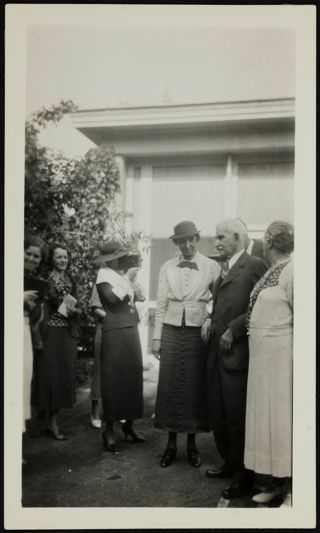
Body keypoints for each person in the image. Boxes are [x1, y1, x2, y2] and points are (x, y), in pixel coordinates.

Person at [201, 218, 266, 499]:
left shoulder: (254, 266)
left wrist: (234, 330)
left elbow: (260, 307)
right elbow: (217, 304)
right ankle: (229, 462)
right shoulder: (222, 268)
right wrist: (208, 319)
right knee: (218, 411)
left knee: (237, 415)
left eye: (221, 237)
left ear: (238, 237)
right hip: (216, 353)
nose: (216, 242)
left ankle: (244, 475)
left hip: (236, 353)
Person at [152, 221, 220, 468]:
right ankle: (171, 444)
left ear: (197, 239)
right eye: (181, 241)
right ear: (176, 243)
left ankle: (192, 445)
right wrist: (157, 337)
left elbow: (218, 300)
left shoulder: (211, 266)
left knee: (194, 386)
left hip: (197, 332)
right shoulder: (166, 267)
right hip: (171, 329)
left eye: (190, 239)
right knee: (170, 386)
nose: (187, 244)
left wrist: (210, 318)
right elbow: (160, 304)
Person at [244, 221, 294, 507]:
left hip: (281, 360)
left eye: (263, 239)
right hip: (263, 360)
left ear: (271, 242)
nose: (262, 244)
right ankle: (276, 484)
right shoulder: (271, 272)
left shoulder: (292, 270)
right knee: (267, 424)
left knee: (283, 423)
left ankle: (293, 491)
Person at [95, 241, 145, 454]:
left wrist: (132, 283)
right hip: (115, 330)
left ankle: (129, 424)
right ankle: (108, 430)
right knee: (113, 379)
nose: (119, 259)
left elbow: (137, 297)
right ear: (109, 259)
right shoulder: (104, 274)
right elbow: (111, 299)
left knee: (132, 376)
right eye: (116, 256)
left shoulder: (119, 274)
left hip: (130, 327)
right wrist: (128, 279)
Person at [37, 242, 79, 440]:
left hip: (66, 333)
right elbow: (54, 302)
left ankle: (53, 422)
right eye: (59, 257)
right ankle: (41, 417)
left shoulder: (71, 278)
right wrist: (69, 310)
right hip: (49, 331)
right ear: (51, 259)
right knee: (47, 375)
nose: (63, 260)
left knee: (62, 377)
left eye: (65, 257)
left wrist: (76, 311)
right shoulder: (46, 279)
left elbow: (75, 303)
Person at [23, 236, 48, 440]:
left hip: (25, 332)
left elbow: (34, 317)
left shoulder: (35, 282)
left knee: (23, 384)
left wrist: (35, 306)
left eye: (36, 256)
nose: (31, 259)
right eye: (28, 254)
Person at [88, 284, 105, 429]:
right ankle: (95, 411)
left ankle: (116, 409)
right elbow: (94, 307)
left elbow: (141, 297)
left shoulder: (124, 279)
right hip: (105, 326)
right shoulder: (100, 282)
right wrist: (111, 317)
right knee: (100, 368)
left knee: (119, 367)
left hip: (122, 328)